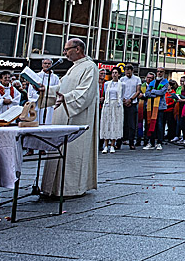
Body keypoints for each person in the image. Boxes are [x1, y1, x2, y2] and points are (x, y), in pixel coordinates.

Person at [38, 38, 99, 198]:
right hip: (63, 114)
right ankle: (53, 188)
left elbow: (85, 93)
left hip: (77, 117)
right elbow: (61, 87)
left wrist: (66, 98)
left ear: (78, 49)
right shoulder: (73, 68)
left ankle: (71, 189)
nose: (64, 53)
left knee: (73, 152)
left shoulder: (90, 67)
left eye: (67, 49)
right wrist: (46, 90)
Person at [142, 70, 170, 150]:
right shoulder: (152, 82)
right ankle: (151, 142)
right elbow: (147, 93)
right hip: (151, 106)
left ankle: (159, 142)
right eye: (158, 71)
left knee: (160, 125)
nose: (159, 73)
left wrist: (153, 91)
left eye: (161, 71)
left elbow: (162, 92)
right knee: (150, 123)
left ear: (163, 73)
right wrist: (155, 93)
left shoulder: (165, 82)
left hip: (160, 106)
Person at [100, 67, 125, 153]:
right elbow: (105, 93)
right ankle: (106, 145)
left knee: (115, 124)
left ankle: (112, 145)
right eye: (113, 72)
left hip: (117, 105)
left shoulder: (122, 84)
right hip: (108, 104)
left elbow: (122, 95)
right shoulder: (107, 84)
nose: (114, 74)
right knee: (106, 123)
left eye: (116, 73)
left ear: (119, 74)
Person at [119, 64, 141, 149]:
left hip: (132, 103)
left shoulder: (137, 79)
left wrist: (131, 99)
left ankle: (131, 142)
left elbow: (138, 91)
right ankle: (119, 141)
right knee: (122, 123)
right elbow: (119, 90)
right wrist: (123, 99)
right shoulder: (122, 79)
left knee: (132, 124)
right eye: (126, 71)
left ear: (132, 71)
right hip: (123, 102)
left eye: (129, 71)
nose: (127, 73)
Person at [34, 58, 62, 124]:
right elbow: (31, 91)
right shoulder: (37, 76)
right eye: (45, 63)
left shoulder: (55, 77)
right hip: (39, 102)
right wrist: (40, 95)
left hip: (50, 103)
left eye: (49, 64)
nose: (47, 65)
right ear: (42, 65)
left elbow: (58, 89)